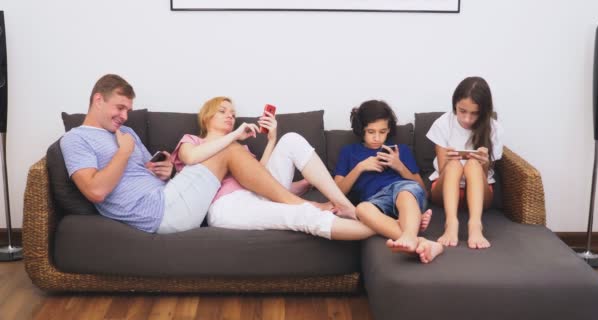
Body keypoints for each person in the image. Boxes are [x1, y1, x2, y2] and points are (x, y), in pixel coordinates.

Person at [60, 74, 329, 234]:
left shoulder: (126, 133)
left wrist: (166, 170)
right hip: (160, 210)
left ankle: (305, 201)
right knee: (230, 148)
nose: (125, 116)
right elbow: (95, 192)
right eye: (119, 108)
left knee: (234, 150)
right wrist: (123, 152)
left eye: (128, 110)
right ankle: (300, 206)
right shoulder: (76, 139)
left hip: (169, 193)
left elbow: (148, 169)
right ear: (98, 100)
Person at [171, 96, 375, 240]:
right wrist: (232, 137)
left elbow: (260, 178)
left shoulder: (239, 149)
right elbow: (190, 157)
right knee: (302, 215)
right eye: (222, 111)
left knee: (290, 140)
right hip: (228, 206)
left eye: (233, 114)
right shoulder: (193, 140)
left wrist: (271, 140)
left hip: (256, 194)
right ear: (206, 117)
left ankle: (344, 205)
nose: (230, 116)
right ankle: (380, 230)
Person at [334, 100, 443, 264]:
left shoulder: (401, 150)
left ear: (389, 130)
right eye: (371, 131)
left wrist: (399, 166)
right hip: (375, 200)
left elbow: (422, 189)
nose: (377, 137)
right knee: (361, 210)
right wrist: (360, 168)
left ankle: (408, 236)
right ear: (361, 130)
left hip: (404, 191)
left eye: (382, 131)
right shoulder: (349, 152)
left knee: (405, 194)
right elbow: (336, 192)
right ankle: (417, 239)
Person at [426, 76, 504, 249]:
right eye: (462, 111)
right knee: (454, 164)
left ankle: (475, 225)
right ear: (455, 104)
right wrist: (448, 160)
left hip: (479, 193)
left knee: (473, 164)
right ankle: (451, 223)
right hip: (445, 189)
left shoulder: (494, 128)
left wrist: (484, 163)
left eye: (474, 113)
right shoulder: (443, 124)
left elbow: (484, 178)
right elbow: (442, 171)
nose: (467, 119)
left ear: (484, 111)